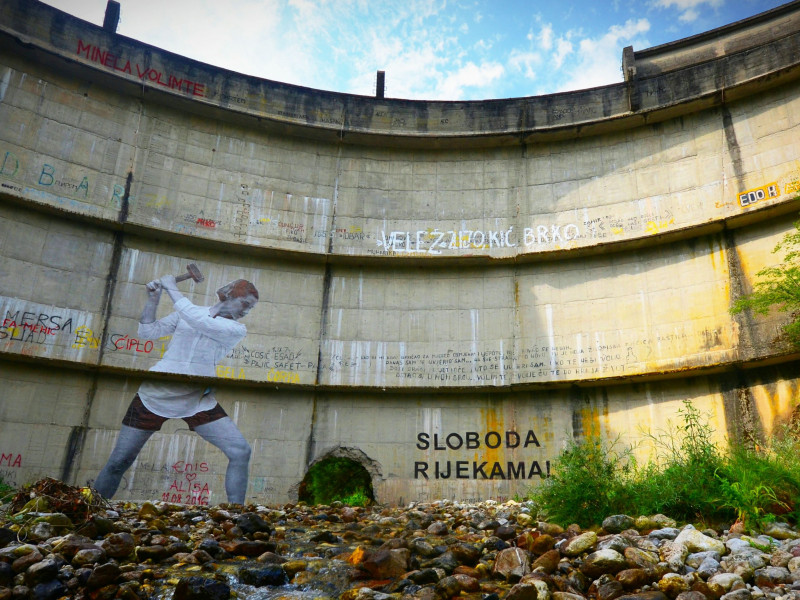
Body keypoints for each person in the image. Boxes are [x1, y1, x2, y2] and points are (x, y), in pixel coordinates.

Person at [94, 274, 259, 504]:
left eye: (250, 308)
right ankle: (93, 510)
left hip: (197, 400)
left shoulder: (235, 329)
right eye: (245, 304)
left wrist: (171, 288)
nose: (246, 311)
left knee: (240, 451)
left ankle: (237, 515)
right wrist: (154, 299)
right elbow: (148, 332)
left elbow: (199, 321)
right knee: (119, 461)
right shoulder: (188, 312)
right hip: (154, 395)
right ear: (228, 295)